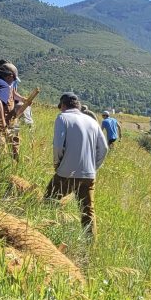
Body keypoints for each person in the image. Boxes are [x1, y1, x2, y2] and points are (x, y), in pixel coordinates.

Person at [44, 92, 108, 239]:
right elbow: (104, 148)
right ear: (78, 105)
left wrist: (57, 164)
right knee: (88, 210)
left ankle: (47, 232)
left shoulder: (62, 117)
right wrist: (94, 167)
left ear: (64, 105)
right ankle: (90, 243)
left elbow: (58, 146)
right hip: (89, 174)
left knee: (49, 200)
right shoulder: (92, 121)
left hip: (66, 172)